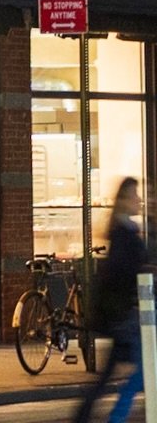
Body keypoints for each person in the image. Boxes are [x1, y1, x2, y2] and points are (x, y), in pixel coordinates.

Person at [73, 177, 147, 423]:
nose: (139, 200)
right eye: (135, 195)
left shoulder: (124, 231)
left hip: (122, 315)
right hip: (125, 315)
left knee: (110, 374)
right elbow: (122, 272)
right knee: (142, 370)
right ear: (125, 201)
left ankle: (85, 415)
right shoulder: (124, 234)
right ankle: (113, 417)